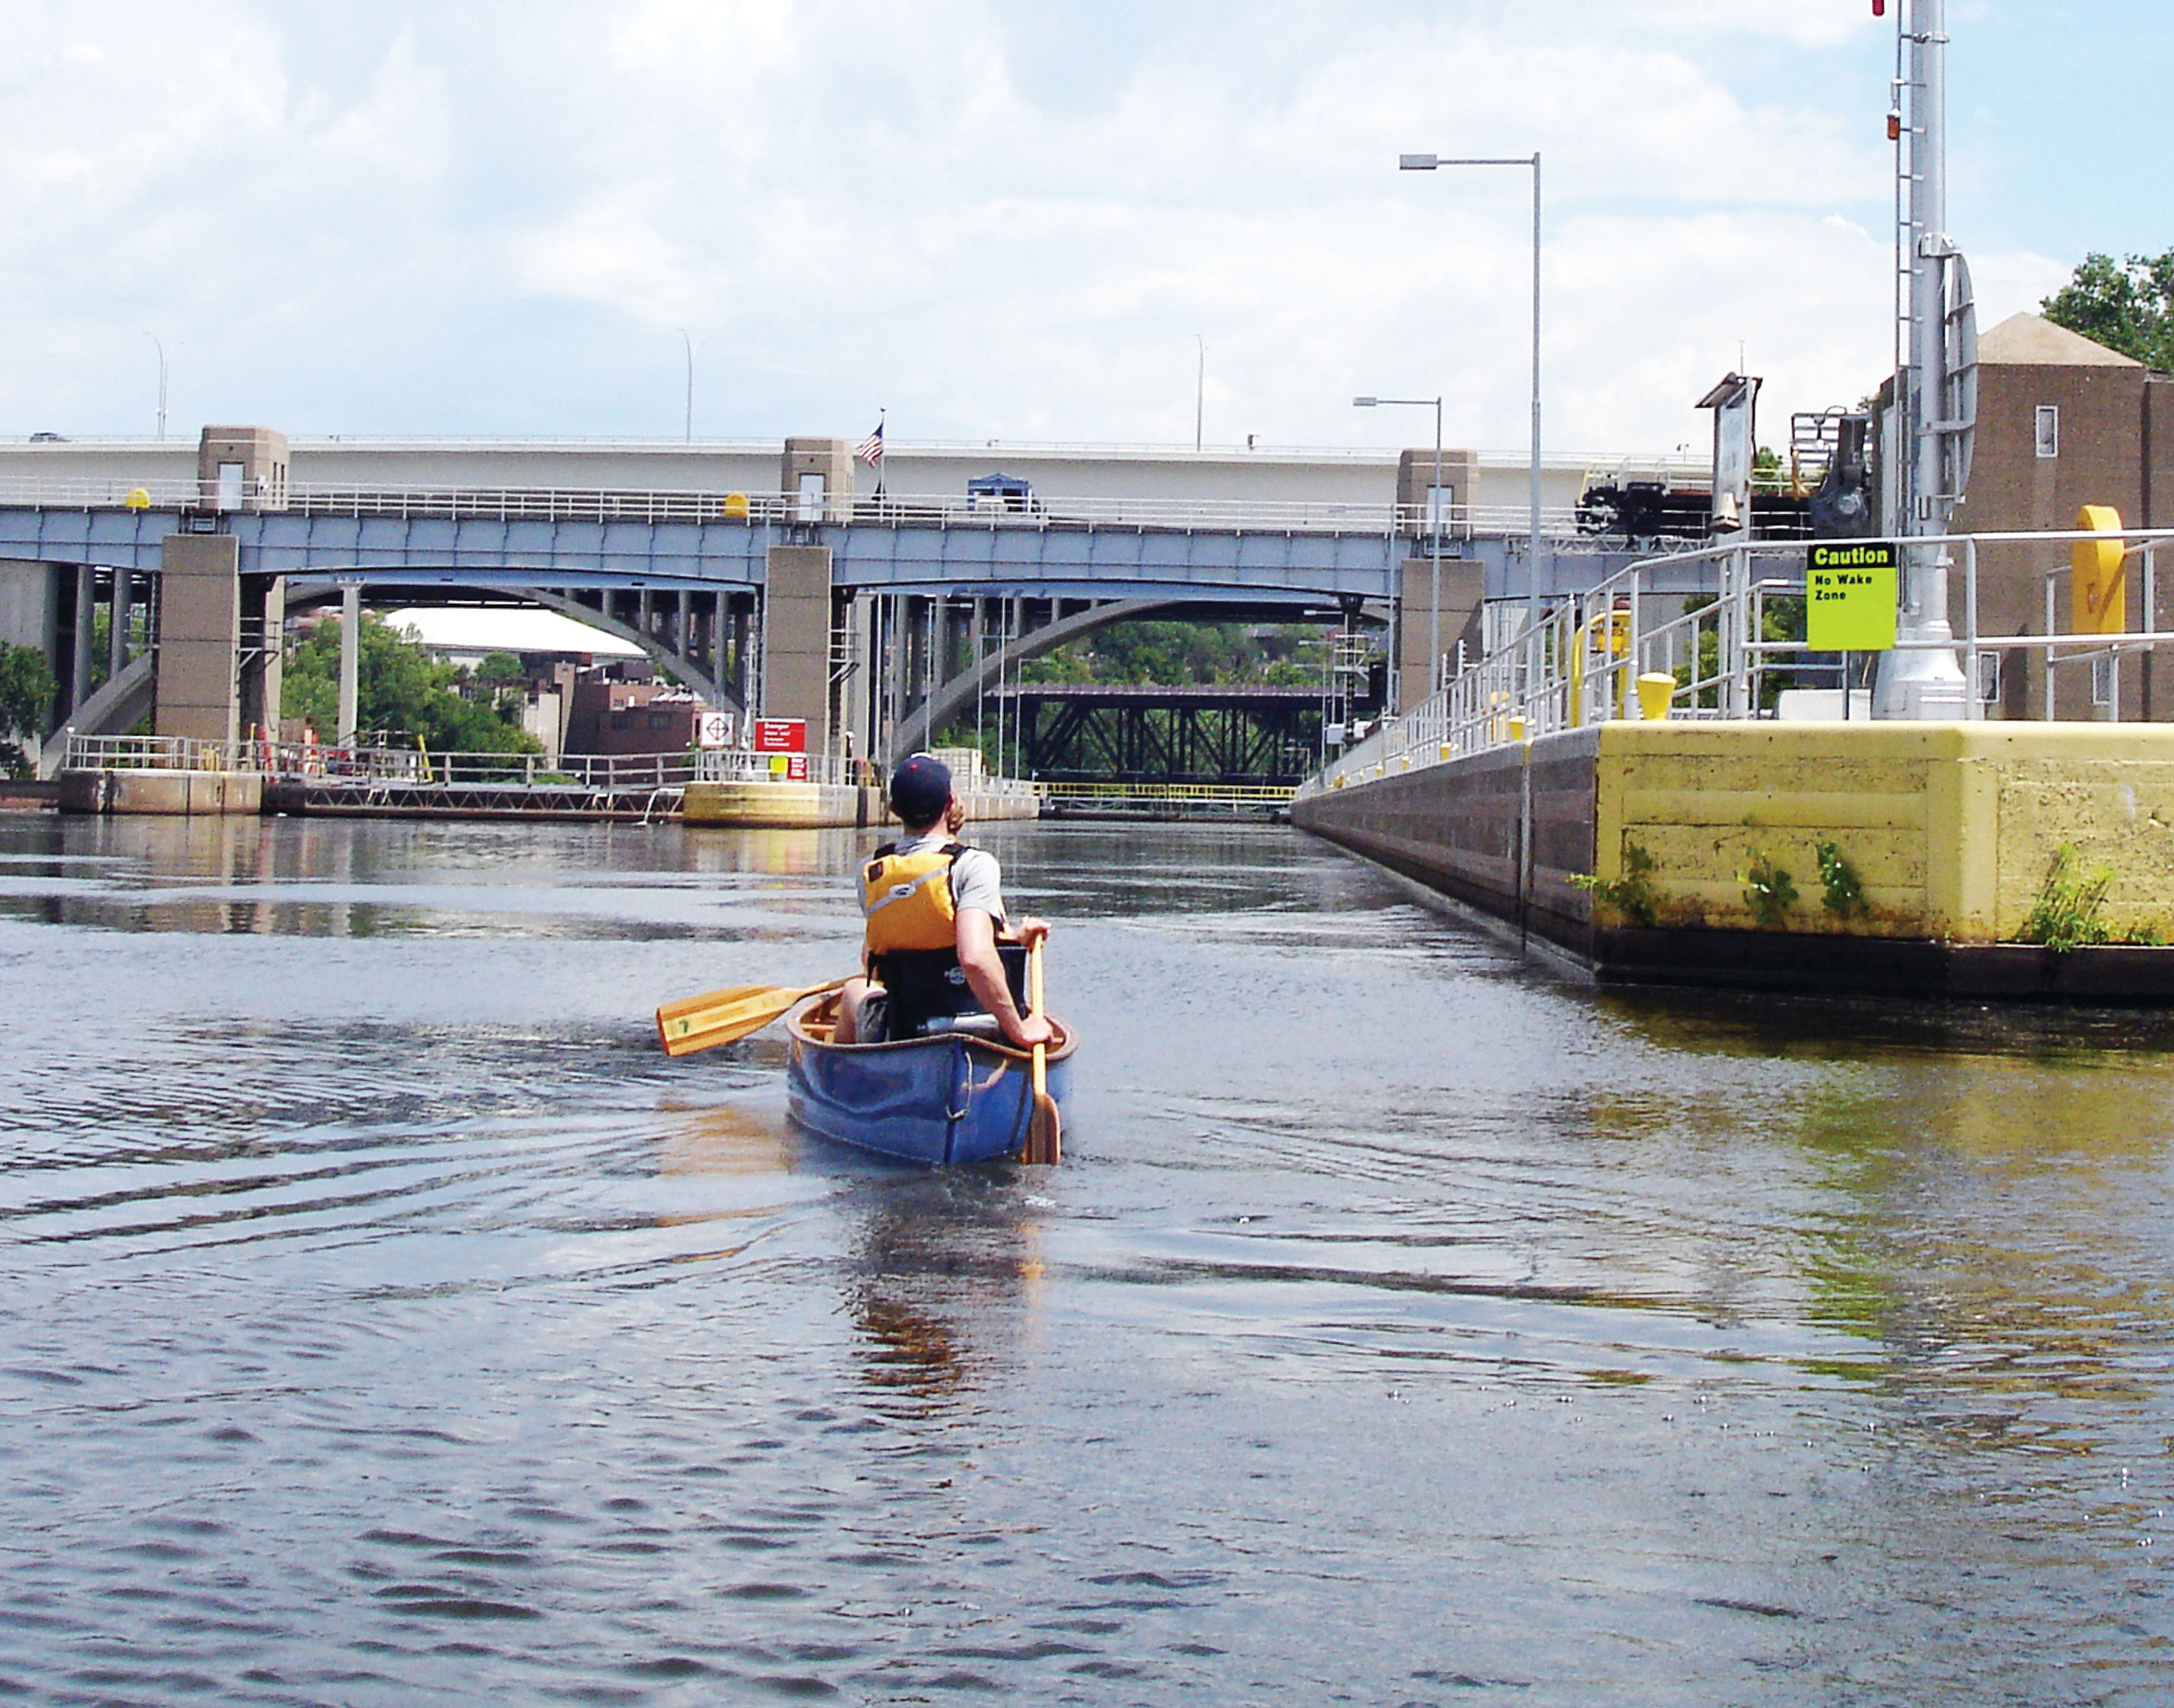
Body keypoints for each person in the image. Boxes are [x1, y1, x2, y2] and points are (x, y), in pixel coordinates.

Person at [835, 753, 1052, 1048]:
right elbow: (975, 958)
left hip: (905, 1025)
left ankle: (848, 1079)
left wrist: (1016, 937)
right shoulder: (974, 865)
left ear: (894, 809)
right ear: (950, 803)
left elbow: (885, 954)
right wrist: (1019, 1031)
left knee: (854, 991)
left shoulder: (871, 873)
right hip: (981, 1021)